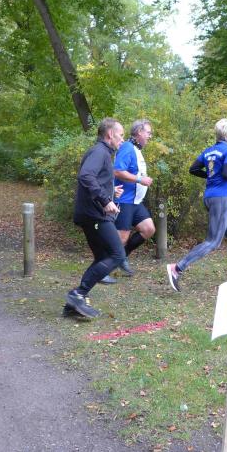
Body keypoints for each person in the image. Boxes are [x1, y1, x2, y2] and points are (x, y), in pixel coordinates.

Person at [166, 118, 227, 291]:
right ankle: (177, 268)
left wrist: (211, 176)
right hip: (220, 198)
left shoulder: (209, 151)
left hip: (211, 196)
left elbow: (194, 169)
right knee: (213, 242)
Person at [64, 118, 126, 319]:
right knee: (117, 255)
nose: (122, 140)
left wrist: (111, 192)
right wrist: (105, 200)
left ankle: (73, 304)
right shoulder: (100, 152)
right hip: (95, 215)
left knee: (102, 257)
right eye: (121, 135)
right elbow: (86, 176)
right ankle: (78, 294)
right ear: (110, 134)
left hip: (92, 213)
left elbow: (95, 180)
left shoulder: (103, 153)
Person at [112, 119, 155, 276]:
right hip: (124, 200)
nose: (150, 136)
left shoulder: (136, 149)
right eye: (148, 132)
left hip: (136, 202)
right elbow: (117, 171)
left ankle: (122, 257)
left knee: (148, 229)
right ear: (139, 132)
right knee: (121, 238)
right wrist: (140, 179)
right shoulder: (127, 148)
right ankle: (103, 268)